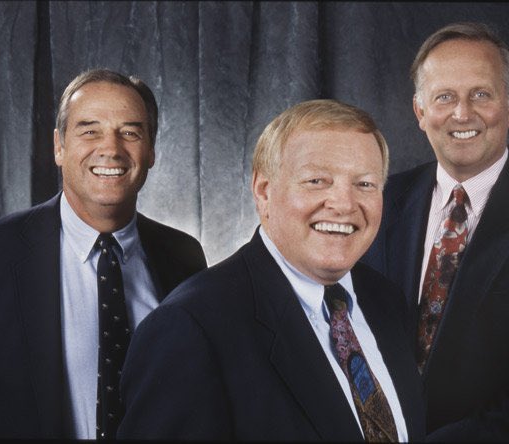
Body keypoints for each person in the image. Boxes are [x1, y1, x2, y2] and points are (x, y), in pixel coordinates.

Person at [117, 99, 425, 441]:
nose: (344, 204)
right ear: (263, 191)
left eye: (364, 184)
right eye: (317, 181)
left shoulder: (387, 301)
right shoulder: (191, 328)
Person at [363, 22, 509, 441]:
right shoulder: (381, 201)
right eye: (445, 97)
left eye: (481, 95)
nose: (462, 113)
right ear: (420, 112)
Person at [0, 69, 207, 439]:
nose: (111, 149)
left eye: (130, 132)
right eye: (89, 130)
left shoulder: (184, 257)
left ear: (151, 150)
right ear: (59, 146)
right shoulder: (4, 250)